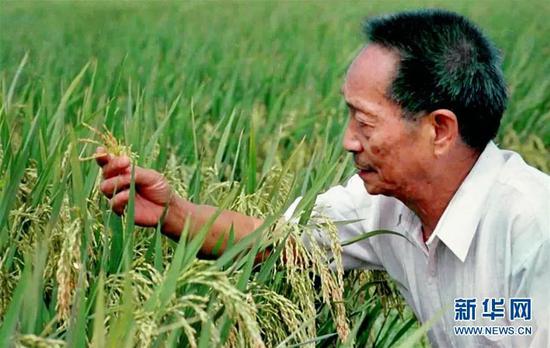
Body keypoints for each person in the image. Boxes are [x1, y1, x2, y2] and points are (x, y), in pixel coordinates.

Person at [95, 9, 549, 347]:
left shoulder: (532, 226)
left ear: (439, 129)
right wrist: (174, 212)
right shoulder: (382, 206)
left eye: (365, 122)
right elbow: (277, 243)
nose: (348, 141)